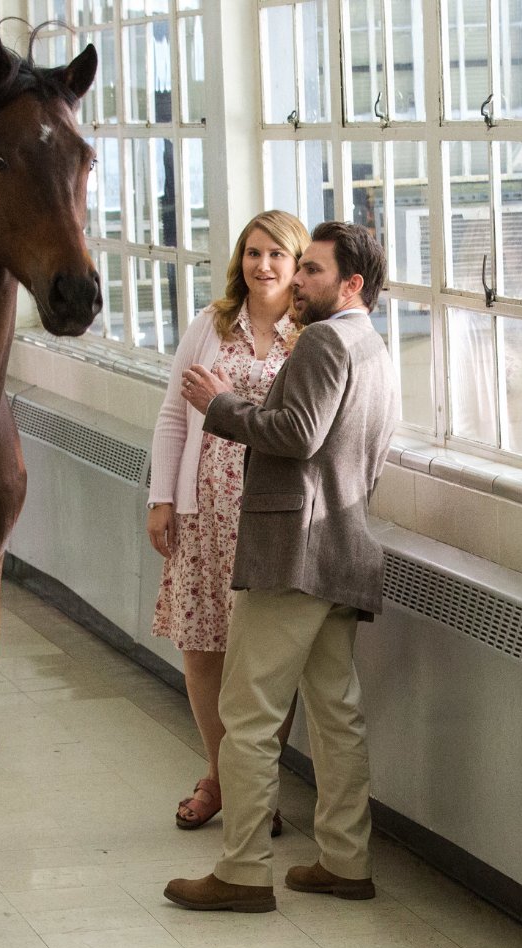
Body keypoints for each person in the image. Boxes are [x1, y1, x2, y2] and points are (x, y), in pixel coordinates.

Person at [163, 221, 399, 913]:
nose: (296, 280)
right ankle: (345, 861)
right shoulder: (374, 346)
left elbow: (297, 434)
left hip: (292, 552)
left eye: (313, 271)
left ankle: (241, 872)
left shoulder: (326, 340)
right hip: (341, 547)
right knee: (335, 714)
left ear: (350, 284)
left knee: (248, 712)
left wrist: (220, 406)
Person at [147, 210, 310, 834]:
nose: (262, 265)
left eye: (277, 254)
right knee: (204, 648)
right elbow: (170, 416)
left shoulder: (309, 337)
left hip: (270, 519)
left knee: (263, 660)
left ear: (296, 267)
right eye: (252, 252)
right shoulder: (211, 327)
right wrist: (162, 498)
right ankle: (219, 777)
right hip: (203, 513)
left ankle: (256, 790)